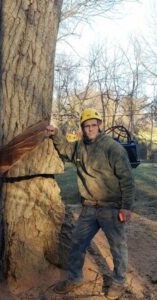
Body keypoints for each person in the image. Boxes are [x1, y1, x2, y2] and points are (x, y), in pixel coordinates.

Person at [46, 108, 135, 299]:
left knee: (118, 247)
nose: (90, 129)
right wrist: (56, 135)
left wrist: (126, 207)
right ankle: (75, 278)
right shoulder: (80, 146)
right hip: (89, 208)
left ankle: (118, 282)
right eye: (86, 126)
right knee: (77, 243)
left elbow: (127, 179)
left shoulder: (113, 149)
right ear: (82, 128)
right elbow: (66, 150)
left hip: (111, 208)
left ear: (100, 126)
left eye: (93, 125)